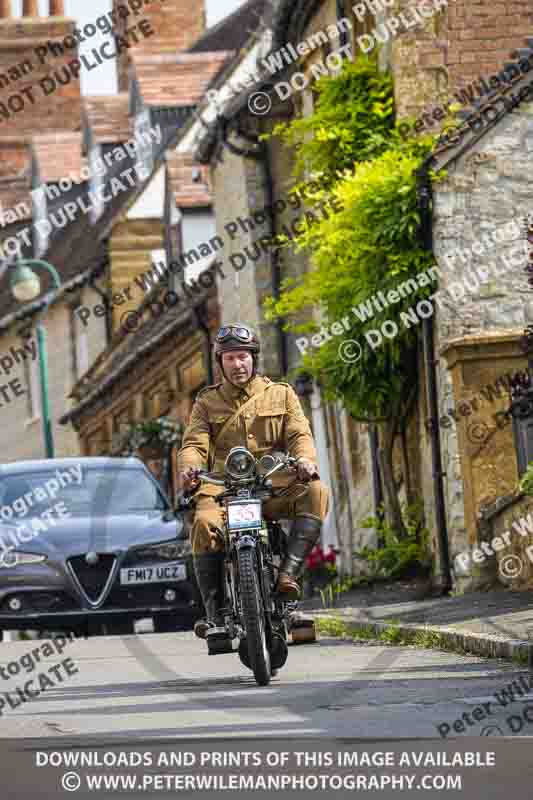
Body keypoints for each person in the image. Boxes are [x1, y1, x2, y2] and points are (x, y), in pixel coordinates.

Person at [177, 323, 330, 641]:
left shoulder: (281, 394)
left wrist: (304, 460)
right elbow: (194, 444)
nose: (238, 364)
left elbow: (299, 434)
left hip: (272, 484)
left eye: (243, 357)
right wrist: (191, 468)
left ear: (253, 359)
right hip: (222, 488)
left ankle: (288, 577)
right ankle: (216, 613)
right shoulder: (206, 403)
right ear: (220, 362)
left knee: (315, 492)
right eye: (230, 358)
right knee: (204, 524)